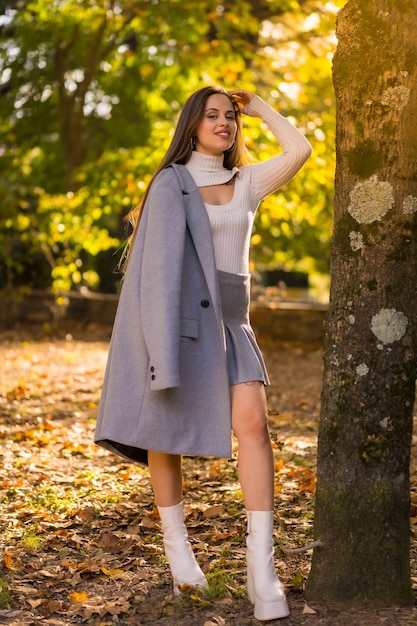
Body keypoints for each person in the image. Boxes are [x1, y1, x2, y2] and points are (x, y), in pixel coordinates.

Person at [94, 85, 311, 621]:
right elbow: (153, 270)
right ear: (192, 125)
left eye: (230, 116)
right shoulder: (171, 184)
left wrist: (259, 105)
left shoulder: (248, 182)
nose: (225, 123)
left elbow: (300, 150)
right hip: (178, 322)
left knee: (254, 427)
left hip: (232, 322)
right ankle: (179, 554)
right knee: (163, 433)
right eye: (212, 115)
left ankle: (263, 572)